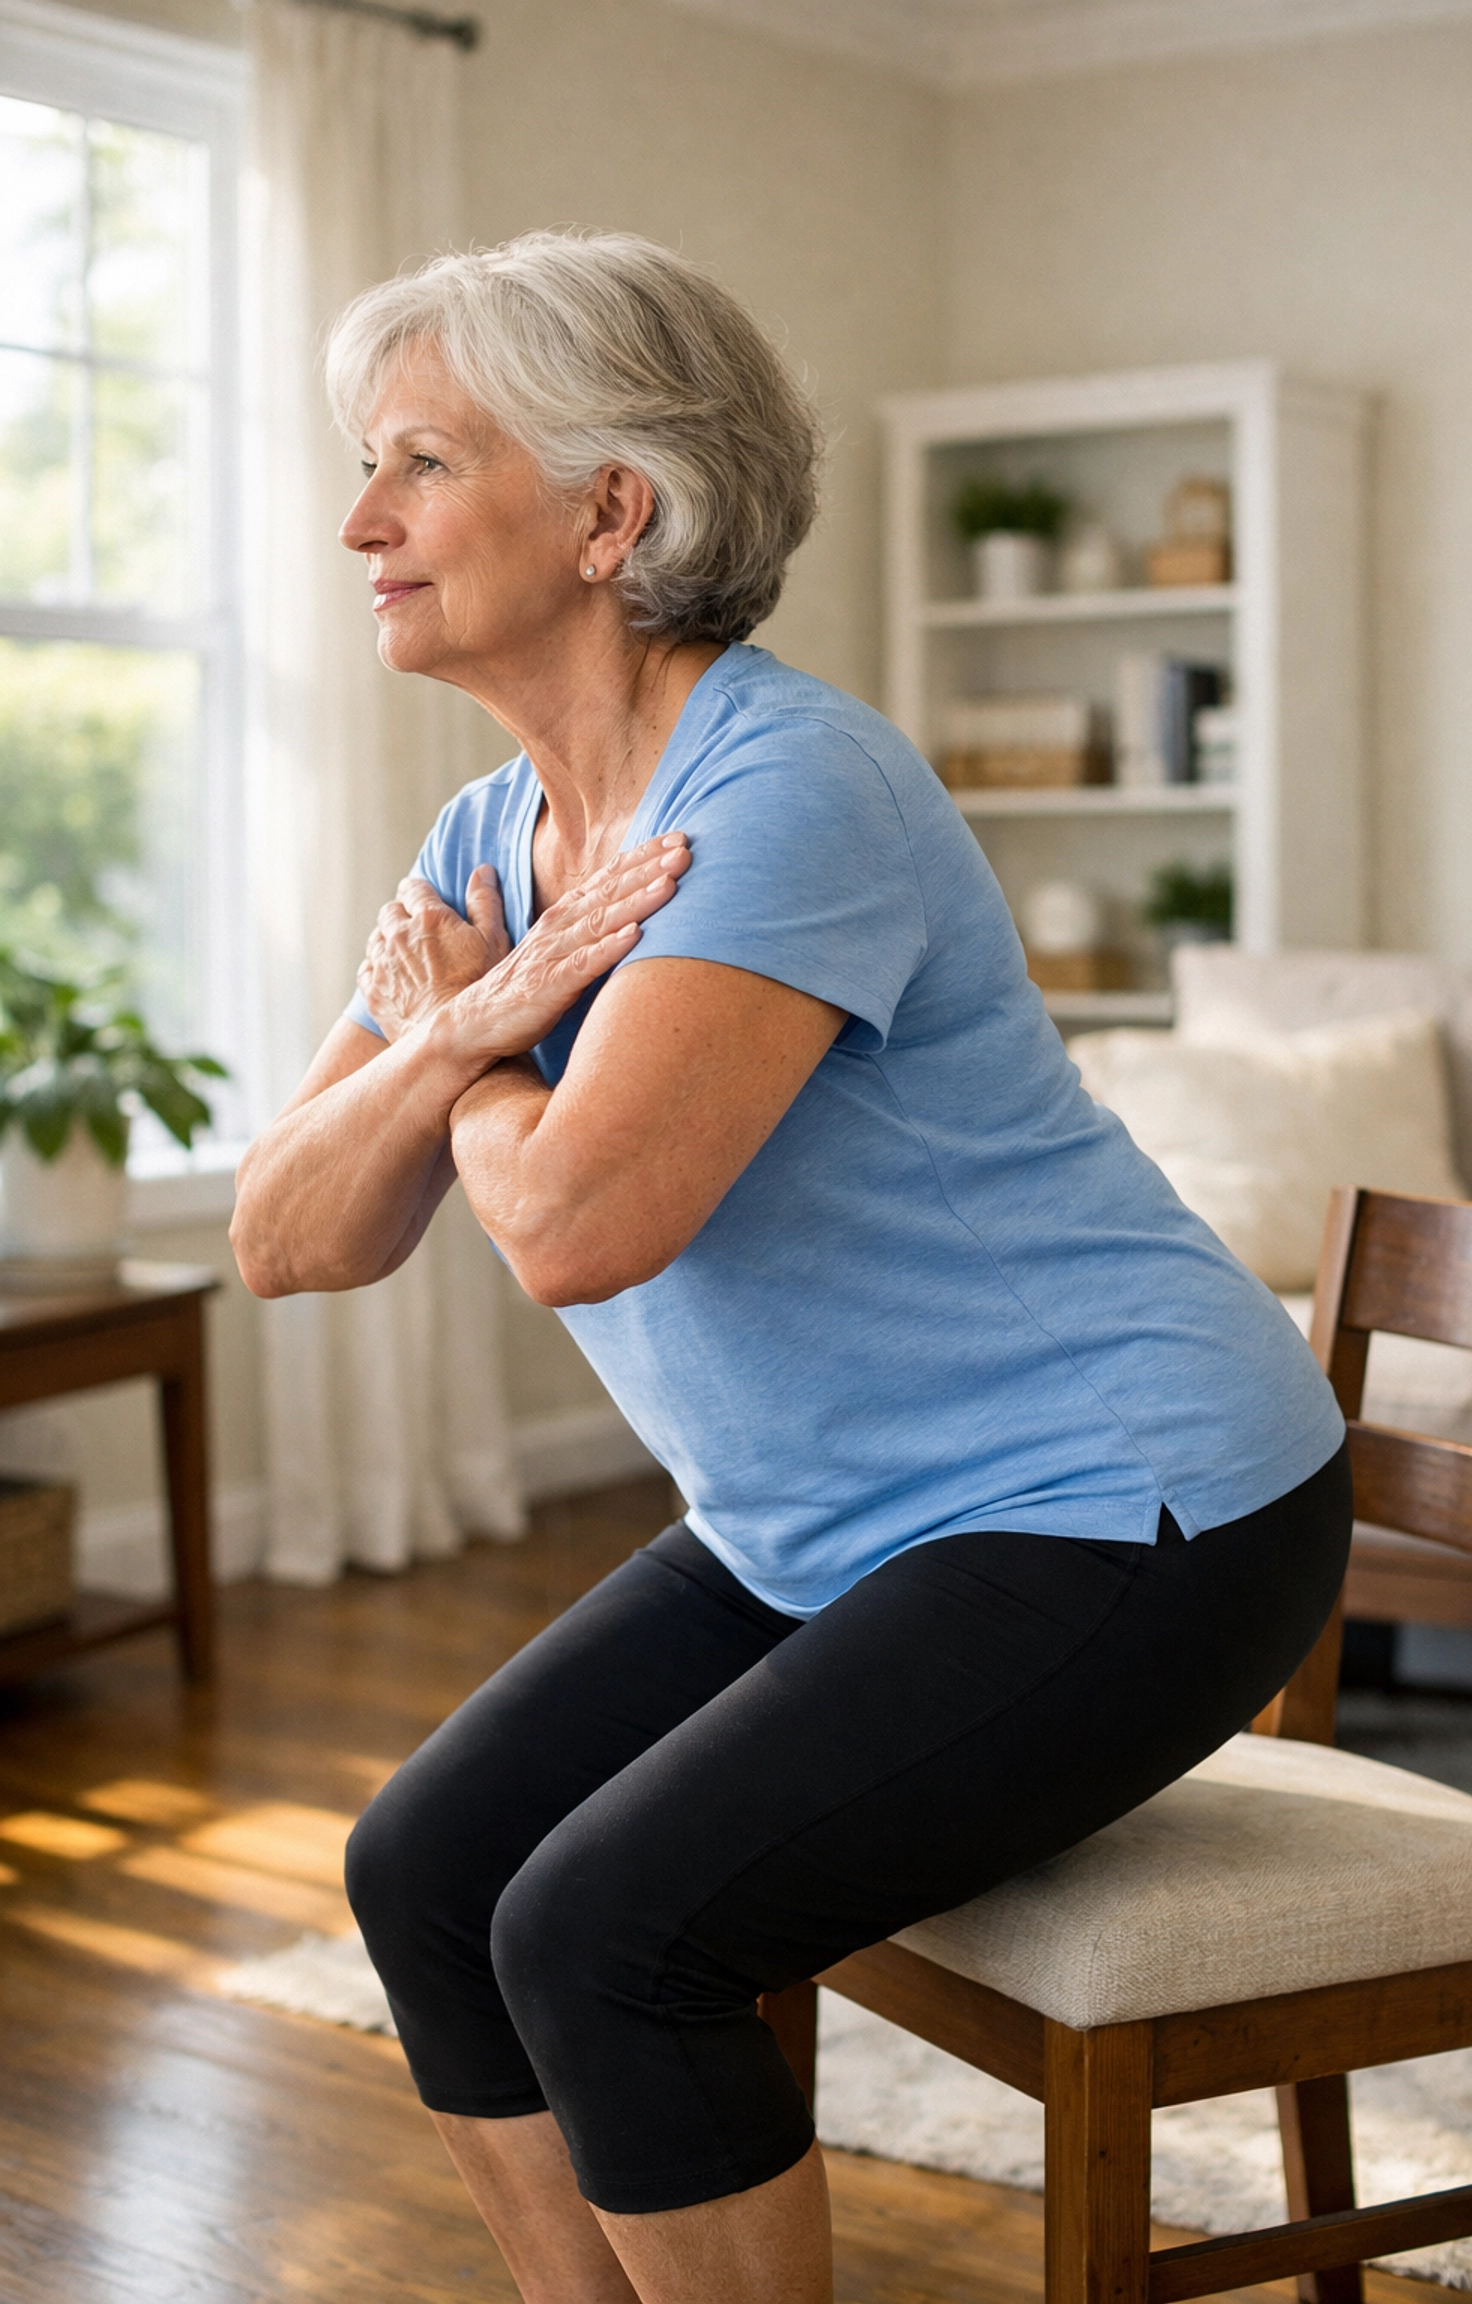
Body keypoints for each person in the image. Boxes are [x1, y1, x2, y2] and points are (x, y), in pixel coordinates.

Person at [230, 230, 1352, 2304]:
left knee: (610, 1932)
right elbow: (285, 1233)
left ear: (610, 514)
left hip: (1132, 1507)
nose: (360, 521)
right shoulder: (485, 846)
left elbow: (576, 1229)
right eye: (364, 466)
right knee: (429, 1873)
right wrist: (477, 1035)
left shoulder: (790, 785)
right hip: (820, 1524)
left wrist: (460, 1047)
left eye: (418, 463)